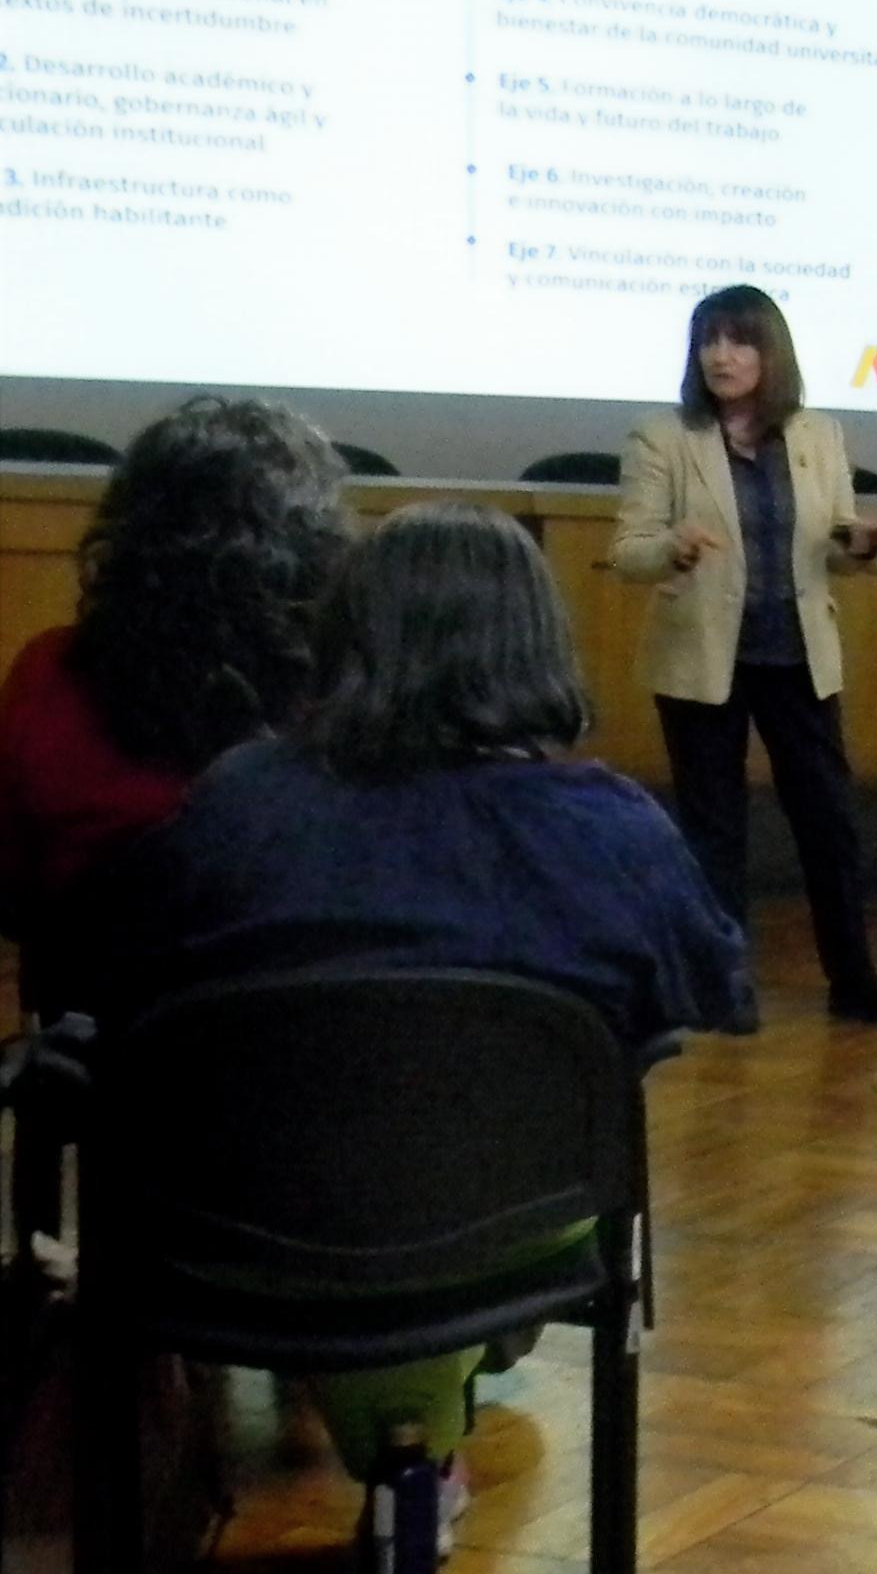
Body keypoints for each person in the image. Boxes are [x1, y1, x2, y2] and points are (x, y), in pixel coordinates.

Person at [87, 501, 744, 1505]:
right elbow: (704, 992)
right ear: (535, 645)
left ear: (345, 637)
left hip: (235, 1240)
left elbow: (123, 989)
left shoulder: (238, 801)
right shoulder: (612, 827)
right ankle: (430, 1422)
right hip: (515, 1233)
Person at [610, 283, 877, 1024]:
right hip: (703, 657)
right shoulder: (663, 437)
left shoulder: (818, 435)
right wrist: (672, 548)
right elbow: (627, 553)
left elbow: (834, 541)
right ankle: (722, 988)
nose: (720, 355)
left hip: (797, 653)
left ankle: (854, 980)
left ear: (770, 351)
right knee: (715, 829)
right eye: (708, 340)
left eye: (739, 340)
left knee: (829, 820)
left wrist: (858, 543)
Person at [0, 397, 350, 1014]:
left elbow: (12, 894)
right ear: (314, 544)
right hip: (306, 1071)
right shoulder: (348, 686)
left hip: (101, 1074)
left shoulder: (49, 673)